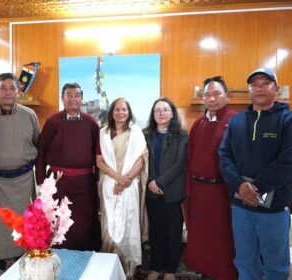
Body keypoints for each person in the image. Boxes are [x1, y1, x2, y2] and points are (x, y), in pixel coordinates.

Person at [219, 68, 292, 280]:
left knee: (275, 266)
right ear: (249, 90)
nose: (259, 88)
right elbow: (224, 155)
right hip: (240, 207)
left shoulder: (289, 120)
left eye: (265, 83)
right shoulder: (237, 121)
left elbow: (289, 161)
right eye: (254, 84)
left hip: (274, 209)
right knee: (245, 261)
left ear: (276, 88)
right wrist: (239, 185)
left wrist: (256, 188)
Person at [0, 73, 40, 279]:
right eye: (2, 88)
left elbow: (37, 142)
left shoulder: (30, 115)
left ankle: (21, 260)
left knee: (21, 224)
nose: (7, 92)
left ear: (18, 92)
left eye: (12, 88)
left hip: (22, 182)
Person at [36, 82, 101, 251]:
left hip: (85, 183)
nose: (73, 99)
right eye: (69, 95)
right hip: (59, 182)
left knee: (84, 222)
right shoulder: (53, 122)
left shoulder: (91, 123)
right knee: (59, 221)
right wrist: (42, 182)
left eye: (77, 95)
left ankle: (85, 255)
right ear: (62, 98)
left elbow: (99, 155)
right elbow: (41, 151)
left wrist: (98, 182)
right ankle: (59, 255)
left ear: (82, 99)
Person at [185, 76, 238, 280]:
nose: (212, 98)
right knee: (201, 239)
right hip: (199, 191)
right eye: (207, 94)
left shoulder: (234, 121)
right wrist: (189, 189)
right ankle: (205, 274)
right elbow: (190, 157)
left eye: (217, 93)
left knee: (222, 239)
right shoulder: (199, 122)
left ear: (227, 96)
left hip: (221, 192)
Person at [96, 98, 147, 278]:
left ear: (129, 112)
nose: (121, 112)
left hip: (130, 186)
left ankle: (128, 268)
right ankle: (109, 267)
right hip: (109, 184)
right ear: (111, 112)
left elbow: (141, 159)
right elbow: (99, 160)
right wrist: (117, 178)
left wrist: (126, 180)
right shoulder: (103, 133)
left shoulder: (136, 133)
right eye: (117, 109)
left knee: (128, 224)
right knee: (109, 226)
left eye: (124, 109)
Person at [143, 97, 187, 280]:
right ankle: (156, 266)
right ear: (153, 115)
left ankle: (171, 269)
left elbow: (180, 164)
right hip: (151, 191)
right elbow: (142, 161)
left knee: (173, 232)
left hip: (172, 191)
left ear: (172, 114)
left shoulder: (181, 135)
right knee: (156, 231)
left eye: (165, 110)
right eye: (157, 110)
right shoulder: (145, 134)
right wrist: (151, 182)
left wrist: (160, 182)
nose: (161, 113)